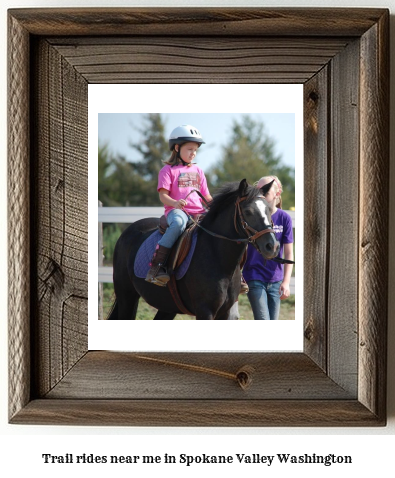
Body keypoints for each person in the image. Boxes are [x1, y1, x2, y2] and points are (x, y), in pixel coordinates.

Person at [145, 124, 213, 286]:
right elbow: (163, 196)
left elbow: (206, 196)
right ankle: (157, 265)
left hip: (199, 212)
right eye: (190, 149)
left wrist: (217, 206)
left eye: (195, 149)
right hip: (177, 212)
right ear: (177, 148)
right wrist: (175, 203)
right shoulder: (167, 170)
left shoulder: (199, 171)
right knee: (178, 224)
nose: (193, 153)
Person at [243, 176, 294, 320]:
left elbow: (289, 253)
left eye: (265, 192)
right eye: (258, 191)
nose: (260, 195)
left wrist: (285, 282)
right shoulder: (252, 216)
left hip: (276, 280)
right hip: (254, 276)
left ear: (276, 195)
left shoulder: (284, 218)